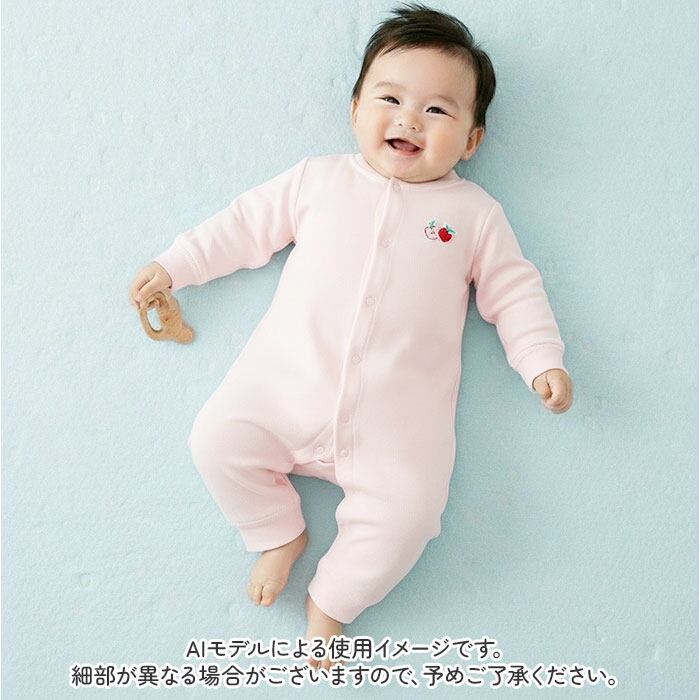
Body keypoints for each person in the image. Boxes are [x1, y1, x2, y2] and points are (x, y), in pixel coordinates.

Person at [128, 2, 573, 670]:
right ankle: (276, 532)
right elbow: (242, 226)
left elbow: (513, 290)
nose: (409, 119)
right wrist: (176, 265)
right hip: (283, 391)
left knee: (412, 514)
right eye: (390, 99)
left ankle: (333, 601)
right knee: (215, 439)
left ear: (472, 141)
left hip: (396, 425)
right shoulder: (319, 180)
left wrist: (541, 359)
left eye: (438, 110)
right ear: (356, 108)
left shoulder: (474, 214)